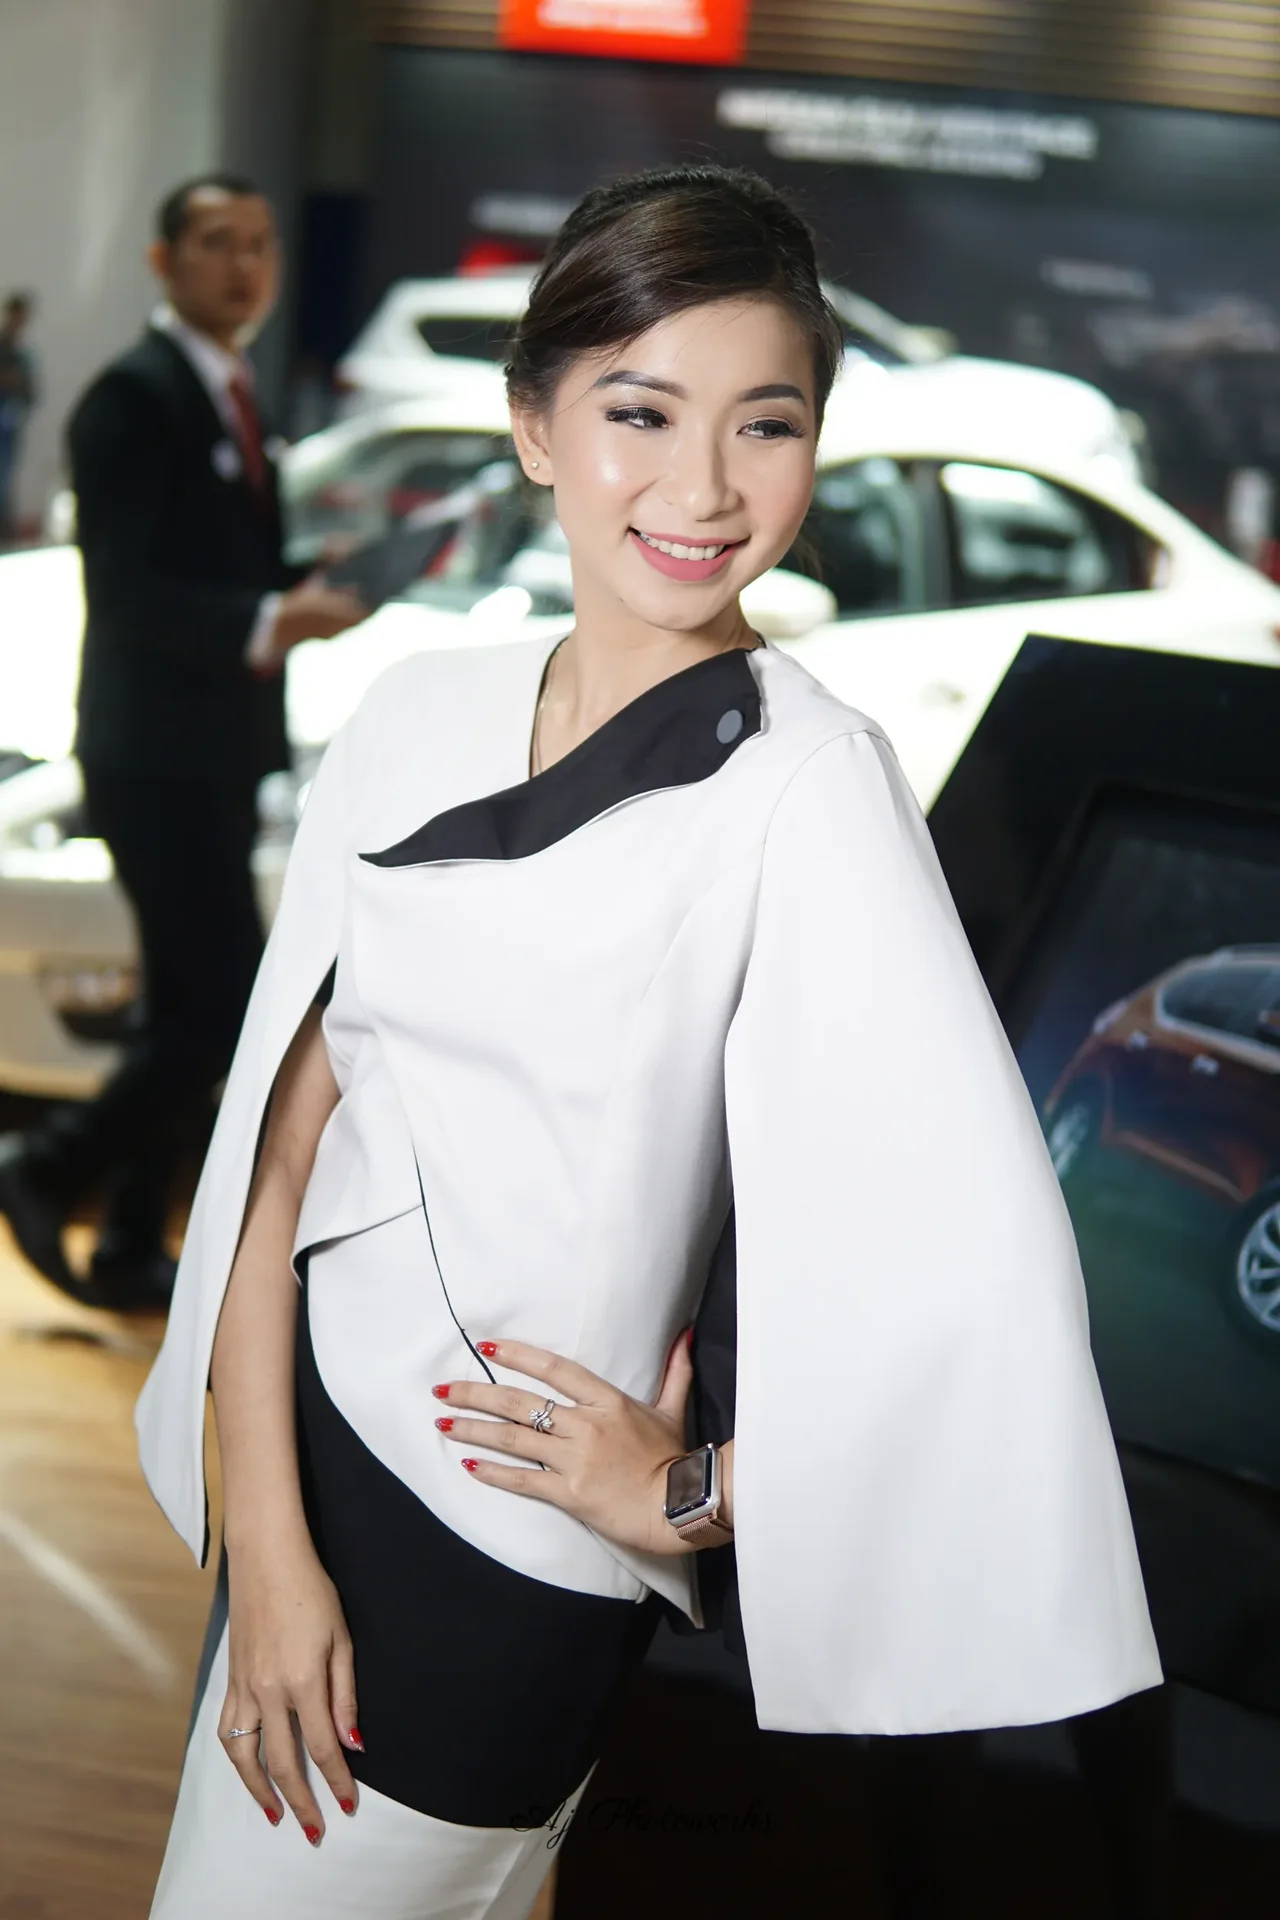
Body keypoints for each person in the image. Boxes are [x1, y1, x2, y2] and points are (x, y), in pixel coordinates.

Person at [135, 167, 1160, 1919]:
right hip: (297, 1489)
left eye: (767, 423)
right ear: (534, 425)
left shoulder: (810, 785)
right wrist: (273, 1547)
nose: (702, 489)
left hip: (500, 1557)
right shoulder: (410, 713)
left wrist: (697, 1493)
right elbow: (275, 1160)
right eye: (639, 412)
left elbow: (983, 1286)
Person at [0, 176, 365, 1312]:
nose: (244, 265)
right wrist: (269, 620)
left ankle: (123, 1240)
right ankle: (46, 1166)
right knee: (220, 1010)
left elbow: (207, 563)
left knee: (184, 1008)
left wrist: (295, 585)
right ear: (164, 261)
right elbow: (132, 592)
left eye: (260, 243)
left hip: (208, 751)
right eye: (216, 242)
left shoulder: (229, 390)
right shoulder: (134, 398)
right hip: (154, 758)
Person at [0, 291, 37, 540]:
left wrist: (19, 385)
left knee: (5, 480)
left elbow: (32, 393)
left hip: (10, 428)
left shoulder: (24, 355)